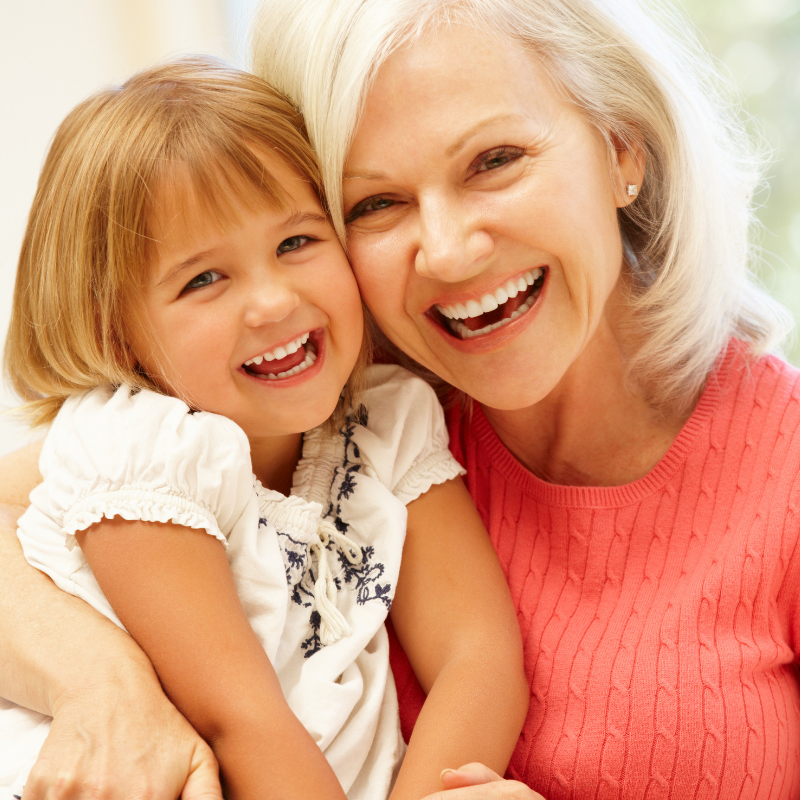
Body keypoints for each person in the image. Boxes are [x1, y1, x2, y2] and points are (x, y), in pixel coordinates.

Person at [0, 0, 797, 796]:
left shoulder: (379, 419)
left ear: (623, 147)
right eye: (374, 204)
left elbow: (477, 655)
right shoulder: (305, 401)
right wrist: (101, 681)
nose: (448, 253)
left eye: (495, 160)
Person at [0, 57, 528, 800]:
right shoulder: (142, 452)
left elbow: (478, 655)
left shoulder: (385, 417)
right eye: (204, 280)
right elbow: (236, 719)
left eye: (296, 243)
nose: (273, 302)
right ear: (117, 337)